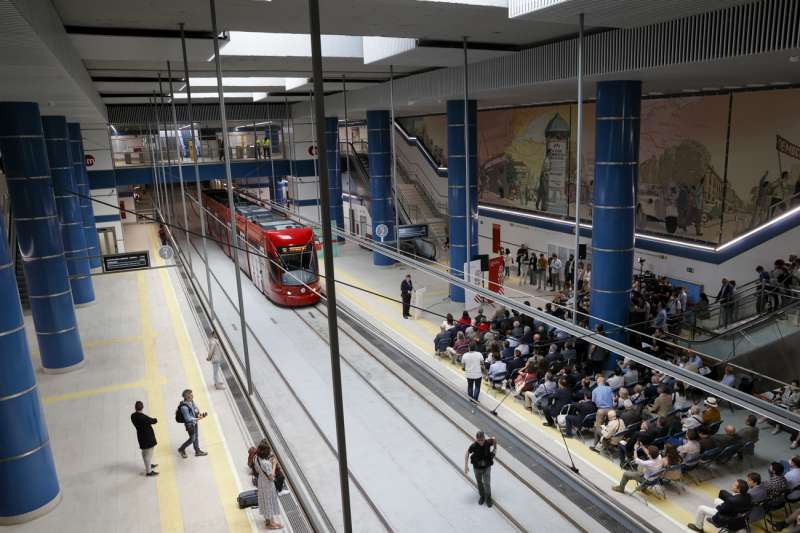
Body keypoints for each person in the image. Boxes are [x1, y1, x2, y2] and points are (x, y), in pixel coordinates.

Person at [687, 479, 752, 532]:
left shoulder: (732, 500)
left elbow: (721, 510)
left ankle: (698, 527)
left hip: (727, 517)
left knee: (701, 508)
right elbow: (731, 503)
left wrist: (719, 507)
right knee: (716, 500)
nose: (732, 485)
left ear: (738, 489)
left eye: (734, 485)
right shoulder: (748, 496)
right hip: (737, 515)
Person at [253, 441, 282, 529]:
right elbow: (271, 477)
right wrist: (273, 464)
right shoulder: (267, 464)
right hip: (268, 485)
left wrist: (268, 463)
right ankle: (271, 524)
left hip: (261, 482)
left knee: (264, 501)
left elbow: (258, 470)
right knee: (269, 502)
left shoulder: (256, 457)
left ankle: (268, 520)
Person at [464, 431, 497, 507]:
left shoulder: (488, 442)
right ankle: (482, 496)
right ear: (476, 439)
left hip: (486, 467)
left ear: (484, 438)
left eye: (482, 440)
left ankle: (488, 498)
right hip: (477, 467)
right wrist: (466, 465)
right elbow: (467, 453)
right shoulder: (474, 446)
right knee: (479, 482)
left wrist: (494, 450)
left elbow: (494, 439)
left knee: (487, 483)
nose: (481, 442)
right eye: (479, 440)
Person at [130, 401, 159, 477]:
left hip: (141, 436)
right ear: (142, 407)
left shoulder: (133, 416)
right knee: (148, 453)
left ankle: (148, 465)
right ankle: (149, 472)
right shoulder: (143, 417)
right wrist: (155, 419)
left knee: (145, 452)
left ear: (135, 407)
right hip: (148, 437)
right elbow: (153, 421)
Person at [177, 389, 208, 458]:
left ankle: (197, 451)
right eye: (190, 395)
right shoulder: (184, 407)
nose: (192, 395)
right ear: (187, 396)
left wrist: (200, 414)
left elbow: (195, 408)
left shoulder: (191, 401)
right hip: (190, 425)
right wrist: (197, 418)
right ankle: (181, 449)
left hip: (194, 422)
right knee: (192, 439)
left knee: (196, 437)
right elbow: (188, 418)